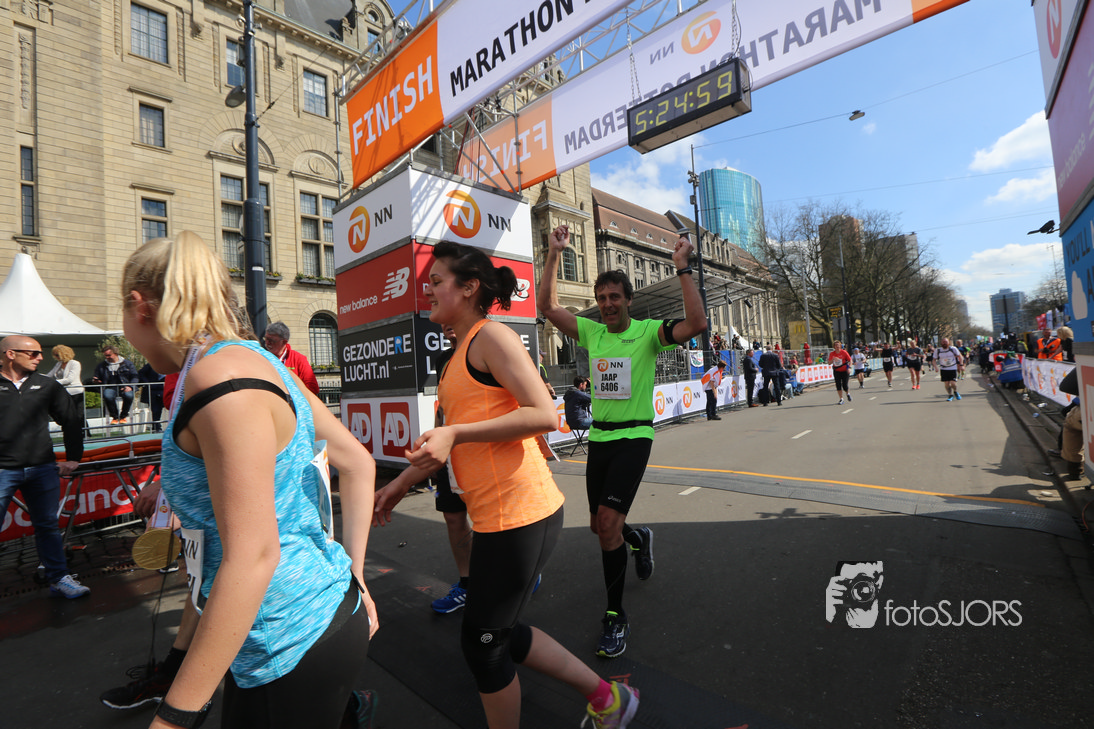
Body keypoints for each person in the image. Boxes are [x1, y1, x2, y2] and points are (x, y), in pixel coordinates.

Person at [120, 231, 378, 729]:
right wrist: (356, 574)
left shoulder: (218, 379)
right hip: (312, 615)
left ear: (140, 306)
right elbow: (357, 463)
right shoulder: (261, 362)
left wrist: (174, 716)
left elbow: (255, 556)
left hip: (282, 637)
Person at [409, 239, 640, 729]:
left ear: (468, 288)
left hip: (522, 513)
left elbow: (544, 415)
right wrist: (398, 484)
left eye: (435, 281)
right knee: (496, 633)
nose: (425, 290)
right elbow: (448, 442)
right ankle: (607, 697)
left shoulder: (492, 337)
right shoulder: (455, 357)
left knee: (483, 644)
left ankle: (609, 700)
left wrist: (455, 432)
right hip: (496, 516)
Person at [538, 223, 706, 659]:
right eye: (602, 298)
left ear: (629, 300)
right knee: (601, 526)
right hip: (601, 438)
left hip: (634, 436)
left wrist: (682, 267)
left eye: (615, 297)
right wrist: (554, 253)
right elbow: (547, 306)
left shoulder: (649, 332)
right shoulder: (592, 332)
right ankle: (639, 538)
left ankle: (615, 616)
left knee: (607, 524)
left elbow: (697, 323)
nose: (608, 304)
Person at [373, 323, 475, 616]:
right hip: (451, 454)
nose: (445, 323)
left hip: (485, 456)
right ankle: (467, 585)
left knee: (495, 523)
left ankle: (522, 570)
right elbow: (443, 408)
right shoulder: (443, 359)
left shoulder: (486, 347)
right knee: (453, 516)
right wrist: (435, 446)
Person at [0, 335, 89, 599]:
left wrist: (74, 457)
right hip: (3, 470)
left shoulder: (47, 384)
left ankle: (59, 578)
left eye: (40, 353)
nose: (40, 357)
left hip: (42, 468)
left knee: (48, 526)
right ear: (10, 354)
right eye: (33, 353)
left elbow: (70, 419)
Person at [263, 321, 320, 395]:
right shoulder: (261, 357)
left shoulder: (299, 359)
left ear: (284, 342)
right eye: (266, 339)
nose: (267, 343)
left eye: (271, 341)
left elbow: (313, 388)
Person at [92, 344, 139, 424]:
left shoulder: (128, 364)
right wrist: (96, 380)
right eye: (105, 356)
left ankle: (123, 416)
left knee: (129, 396)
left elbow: (135, 377)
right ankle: (115, 417)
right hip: (110, 387)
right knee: (107, 396)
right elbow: (96, 376)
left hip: (125, 386)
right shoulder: (101, 365)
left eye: (109, 355)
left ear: (116, 354)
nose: (107, 357)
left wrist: (130, 386)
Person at [47, 344, 87, 433]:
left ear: (63, 354)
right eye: (55, 355)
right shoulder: (58, 364)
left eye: (57, 355)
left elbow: (69, 379)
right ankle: (72, 431)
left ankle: (84, 433)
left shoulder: (75, 363)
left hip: (76, 392)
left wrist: (53, 383)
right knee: (66, 413)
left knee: (78, 414)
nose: (56, 357)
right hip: (64, 393)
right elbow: (49, 375)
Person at [138, 362, 166, 432]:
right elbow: (141, 373)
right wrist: (148, 383)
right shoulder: (152, 364)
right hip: (152, 390)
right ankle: (156, 427)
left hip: (164, 389)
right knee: (155, 410)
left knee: (160, 409)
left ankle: (158, 426)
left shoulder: (170, 364)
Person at [934, 337, 964, 401]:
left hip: (952, 368)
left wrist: (961, 365)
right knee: (946, 383)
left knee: (953, 383)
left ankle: (955, 391)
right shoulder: (938, 350)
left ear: (948, 343)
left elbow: (960, 356)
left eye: (946, 342)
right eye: (943, 342)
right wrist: (936, 367)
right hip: (943, 368)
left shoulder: (953, 349)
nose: (944, 343)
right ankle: (950, 395)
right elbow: (934, 360)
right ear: (941, 343)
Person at [828, 340, 852, 404]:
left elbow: (850, 360)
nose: (837, 346)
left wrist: (849, 368)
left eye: (838, 345)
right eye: (836, 345)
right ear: (834, 346)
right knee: (838, 385)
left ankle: (848, 394)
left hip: (844, 370)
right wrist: (833, 359)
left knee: (845, 385)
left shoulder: (844, 352)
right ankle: (841, 399)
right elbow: (829, 363)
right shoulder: (832, 354)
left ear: (840, 346)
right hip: (837, 371)